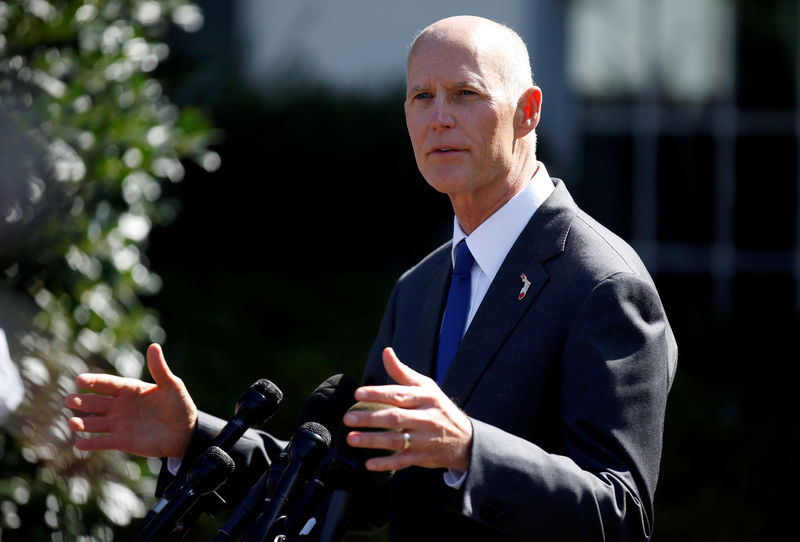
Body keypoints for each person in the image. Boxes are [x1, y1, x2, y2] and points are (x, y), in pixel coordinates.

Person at [65, 15, 677, 541]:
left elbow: (621, 515)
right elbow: (355, 485)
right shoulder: (419, 287)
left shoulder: (601, 283)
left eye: (465, 93)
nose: (438, 118)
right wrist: (196, 439)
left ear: (527, 111)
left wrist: (469, 449)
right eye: (421, 97)